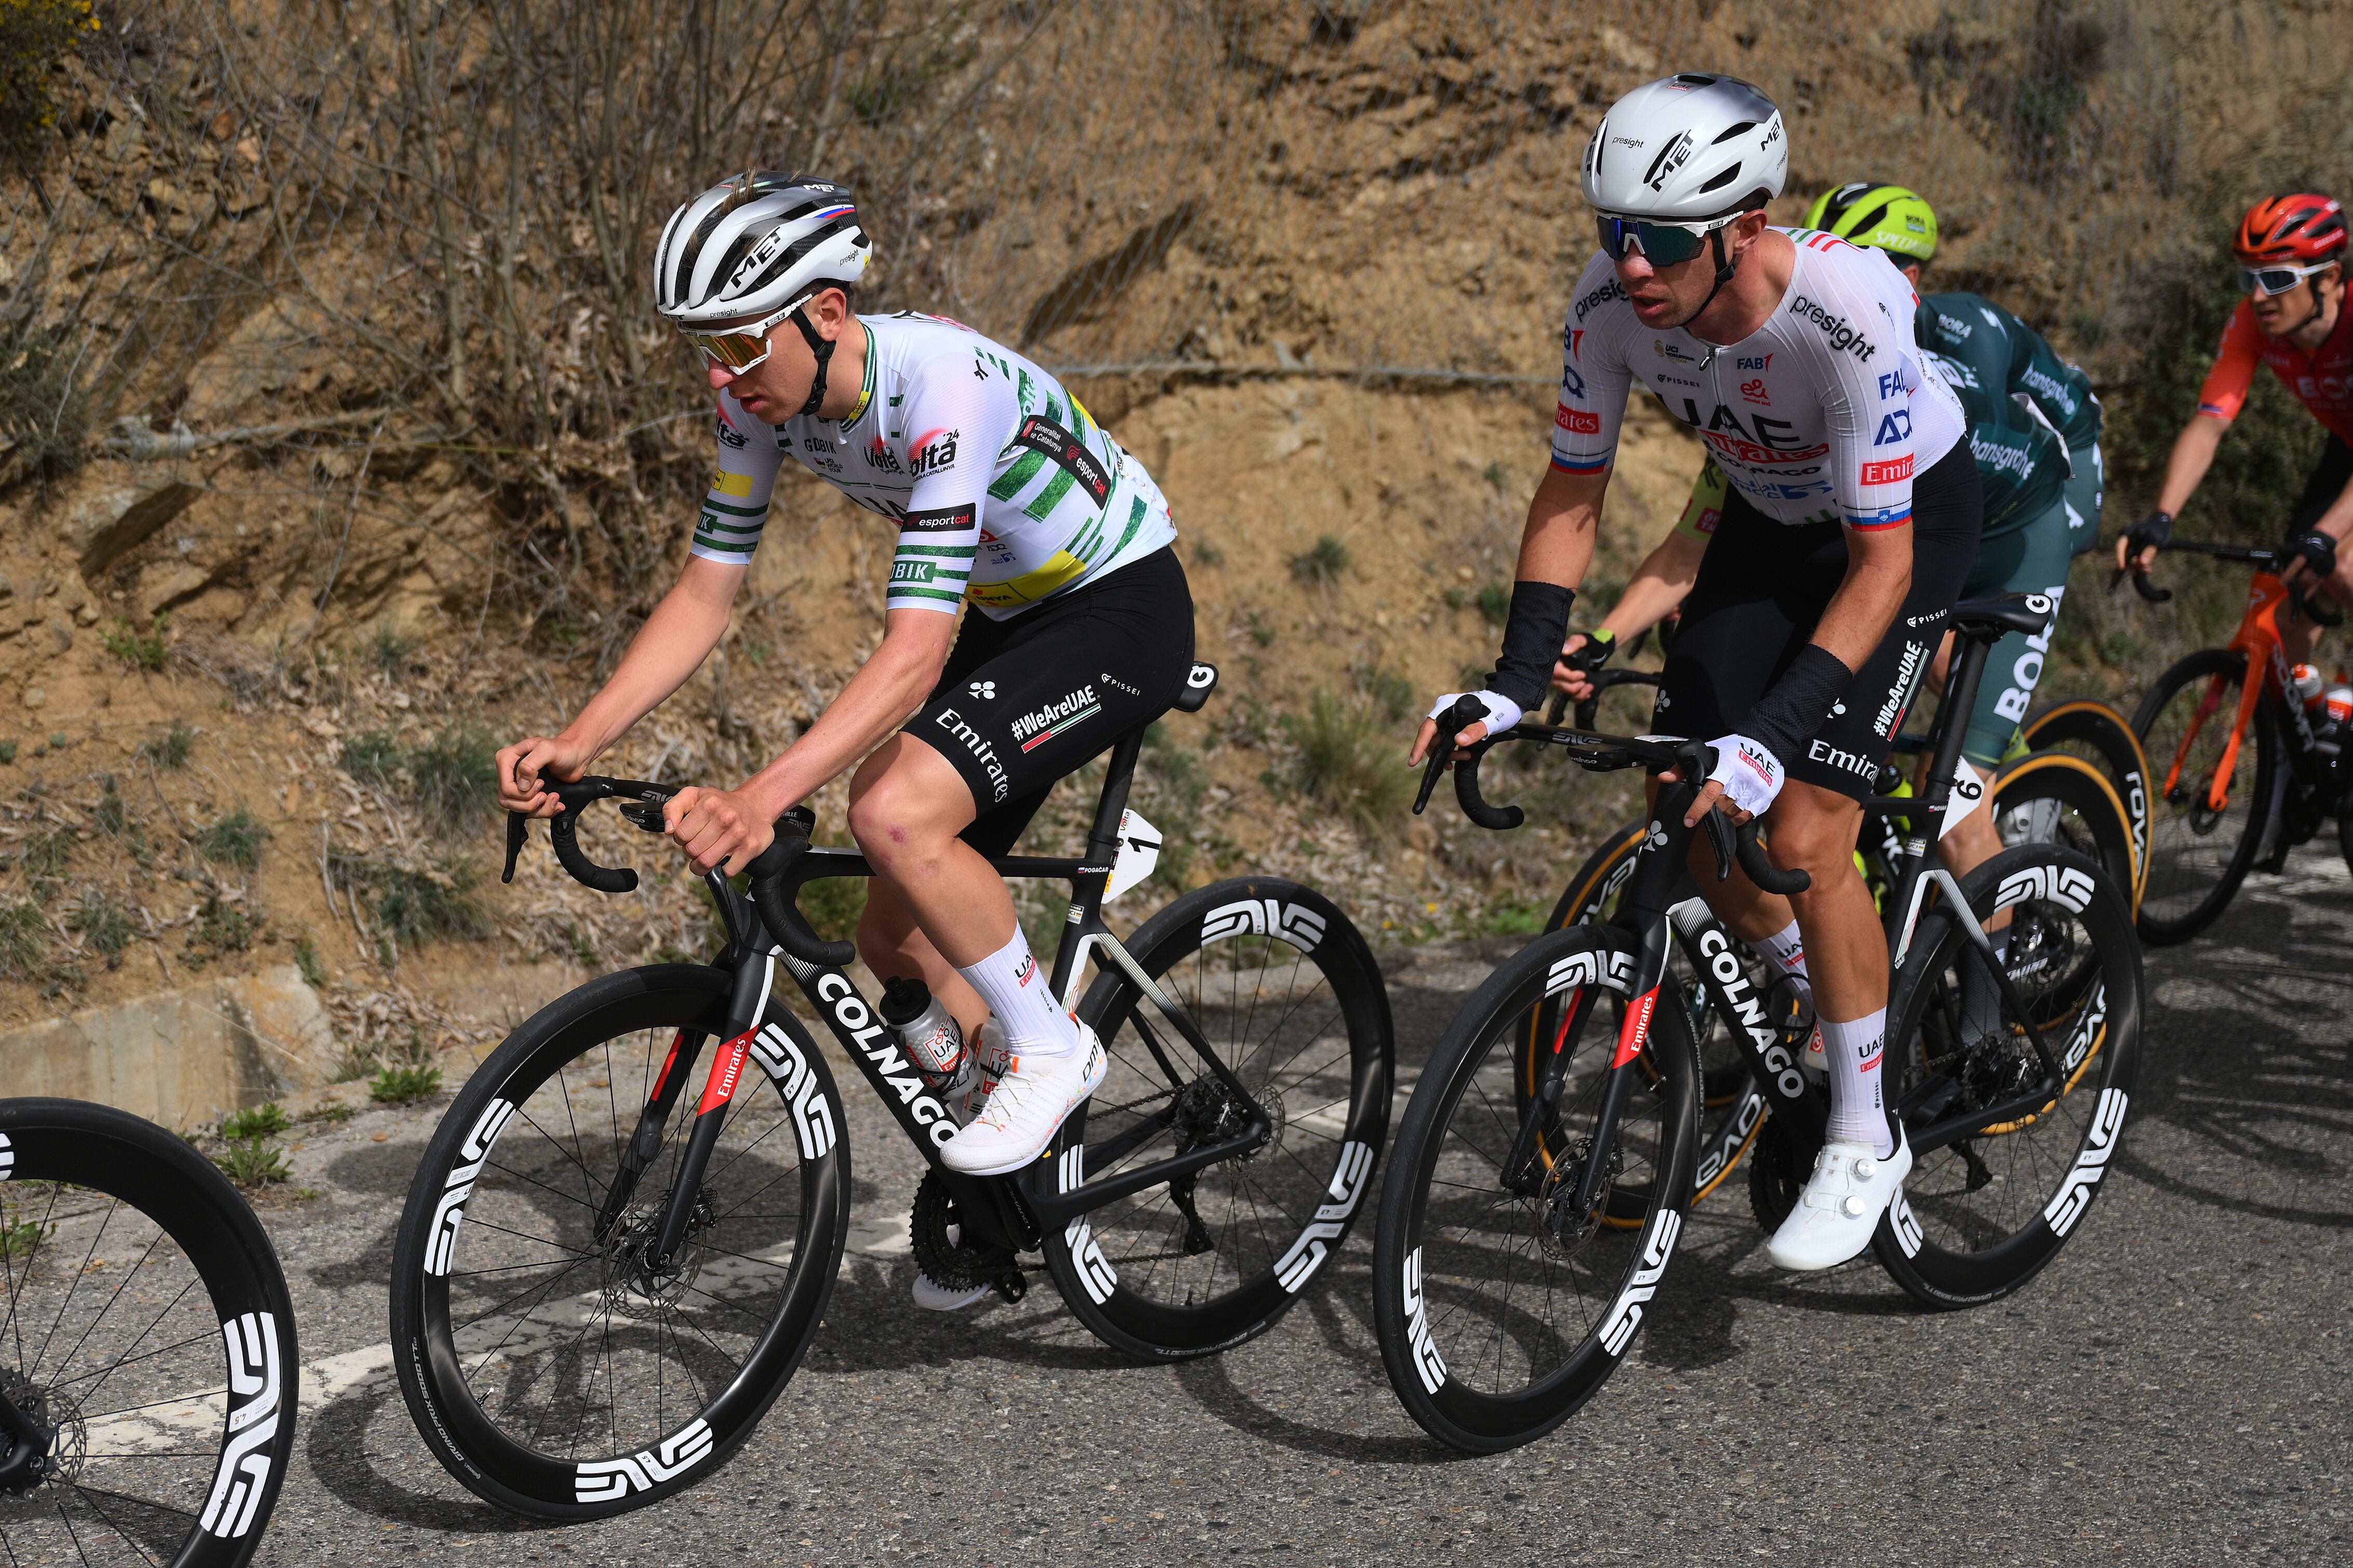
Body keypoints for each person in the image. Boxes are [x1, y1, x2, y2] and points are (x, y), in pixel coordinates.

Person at [494, 172, 1196, 1306]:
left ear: (824, 313)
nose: (722, 377)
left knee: (892, 812)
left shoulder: (940, 389)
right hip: (1015, 616)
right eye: (703, 350)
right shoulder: (754, 399)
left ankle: (1052, 1048)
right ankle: (1007, 1199)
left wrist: (764, 795)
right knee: (891, 930)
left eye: (736, 343)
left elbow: (915, 652)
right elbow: (706, 592)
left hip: (1119, 606)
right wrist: (581, 735)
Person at [1411, 75, 1979, 1272]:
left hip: (1901, 527)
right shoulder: (1606, 307)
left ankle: (1865, 1133)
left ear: (1747, 224)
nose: (1627, 266)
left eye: (1657, 240)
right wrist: (1518, 675)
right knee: (1695, 809)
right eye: (1607, 232)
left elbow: (1878, 569)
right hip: (1769, 525)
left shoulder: (1846, 305)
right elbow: (1576, 486)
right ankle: (1830, 1001)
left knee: (1810, 823)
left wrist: (1775, 733)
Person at [1558, 183, 2102, 1026]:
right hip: (1875, 531)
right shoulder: (1778, 386)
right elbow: (1694, 545)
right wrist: (1602, 633)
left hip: (2007, 521)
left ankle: (1986, 1010)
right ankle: (1840, 980)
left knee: (1951, 786)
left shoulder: (1932, 355)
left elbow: (1909, 557)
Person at [2116, 195, 2351, 674]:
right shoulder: (2253, 323)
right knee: (2296, 583)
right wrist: (2162, 518)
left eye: (2279, 279)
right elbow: (2210, 424)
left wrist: (2325, 536)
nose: (2261, 296)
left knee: (2340, 565)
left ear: (2328, 277)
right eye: (2250, 279)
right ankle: (2305, 738)